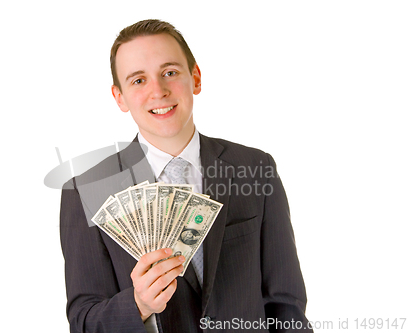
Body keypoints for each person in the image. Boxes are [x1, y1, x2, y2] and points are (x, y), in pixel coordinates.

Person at [60, 19, 312, 332]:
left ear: (195, 77)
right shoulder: (87, 190)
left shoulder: (255, 168)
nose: (158, 91)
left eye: (170, 72)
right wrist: (139, 305)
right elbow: (84, 321)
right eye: (138, 81)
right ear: (120, 97)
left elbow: (285, 307)